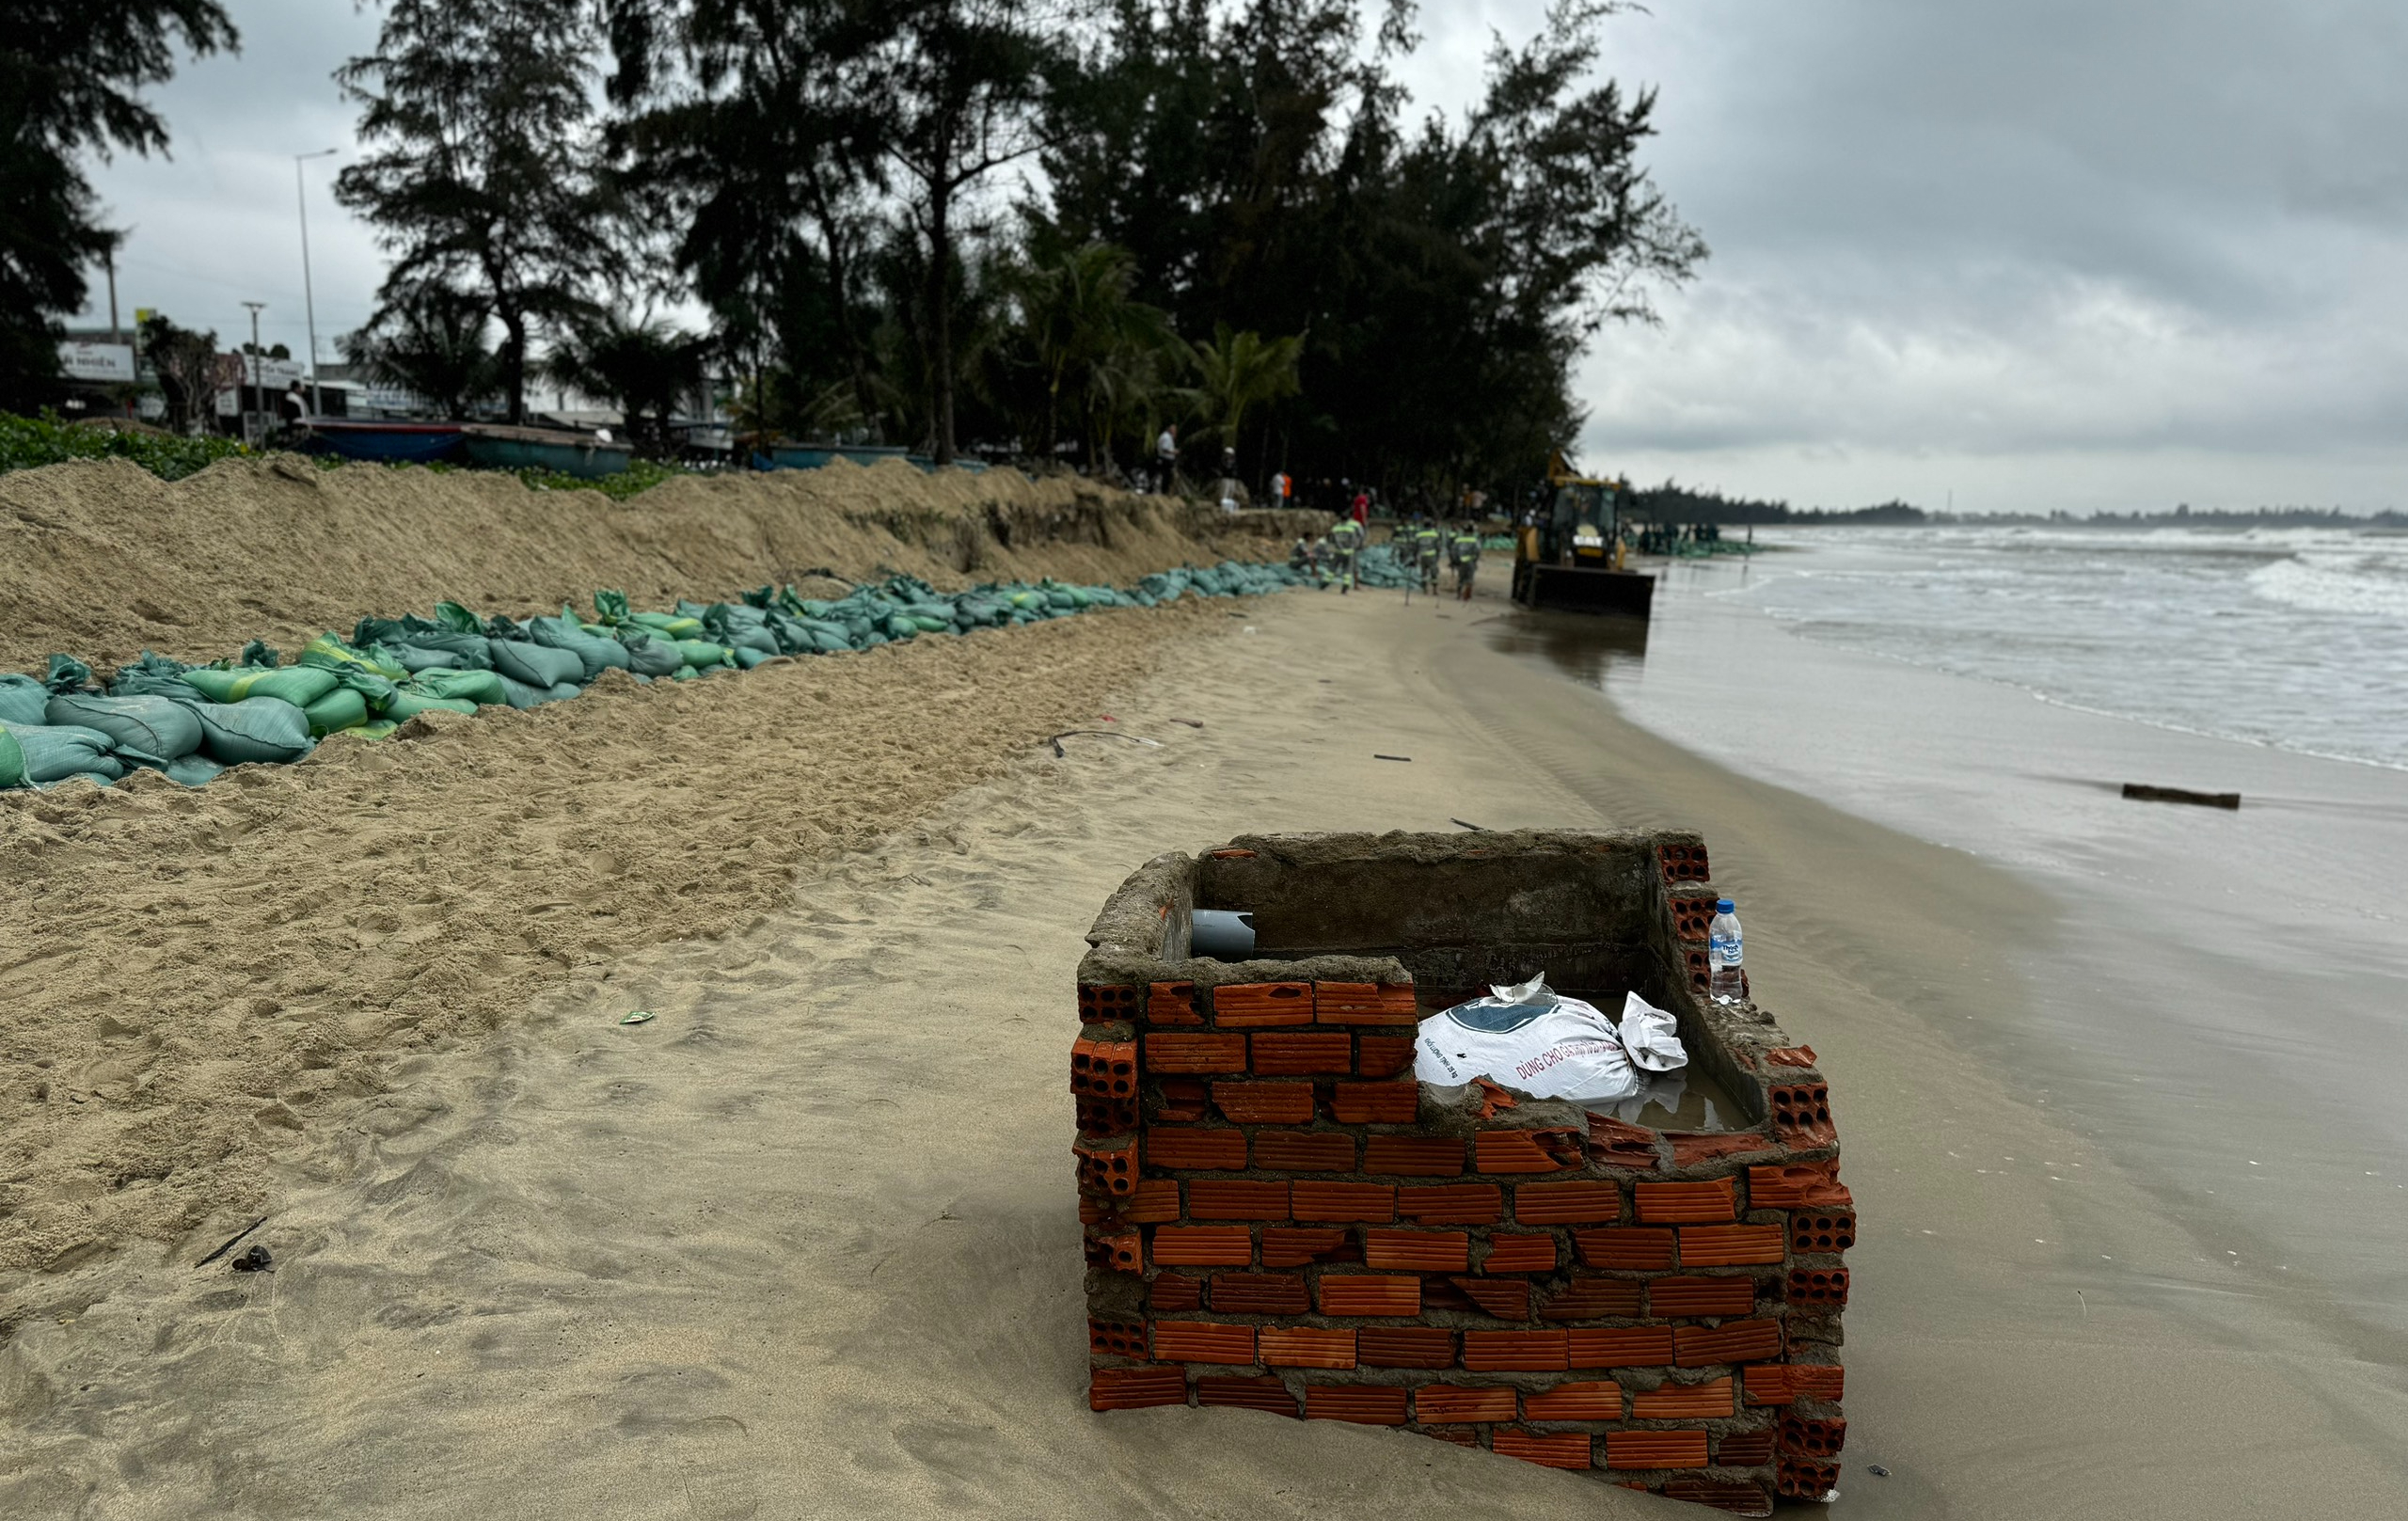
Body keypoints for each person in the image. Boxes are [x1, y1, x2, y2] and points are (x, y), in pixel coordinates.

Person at [1329, 514, 1364, 594]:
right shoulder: (1355, 524)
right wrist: (1359, 545)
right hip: (1352, 549)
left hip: (1339, 550)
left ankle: (1326, 583)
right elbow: (1361, 535)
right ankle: (1355, 585)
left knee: (1334, 566)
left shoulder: (1337, 525)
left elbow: (1332, 539)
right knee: (1352, 567)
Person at [1412, 516, 1443, 597]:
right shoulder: (1435, 534)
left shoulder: (1419, 534)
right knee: (1433, 573)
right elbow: (1438, 546)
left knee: (1424, 573)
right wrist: (1438, 555)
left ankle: (1425, 589)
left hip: (1422, 556)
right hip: (1432, 556)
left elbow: (1415, 547)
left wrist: (1415, 556)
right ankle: (1435, 590)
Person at [1452, 521, 1482, 601]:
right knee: (1470, 578)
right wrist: (1475, 561)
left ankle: (1458, 594)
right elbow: (1478, 551)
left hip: (1461, 561)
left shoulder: (1458, 539)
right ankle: (1467, 595)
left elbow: (1454, 551)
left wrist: (1455, 561)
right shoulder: (1474, 540)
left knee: (1461, 578)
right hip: (1470, 561)